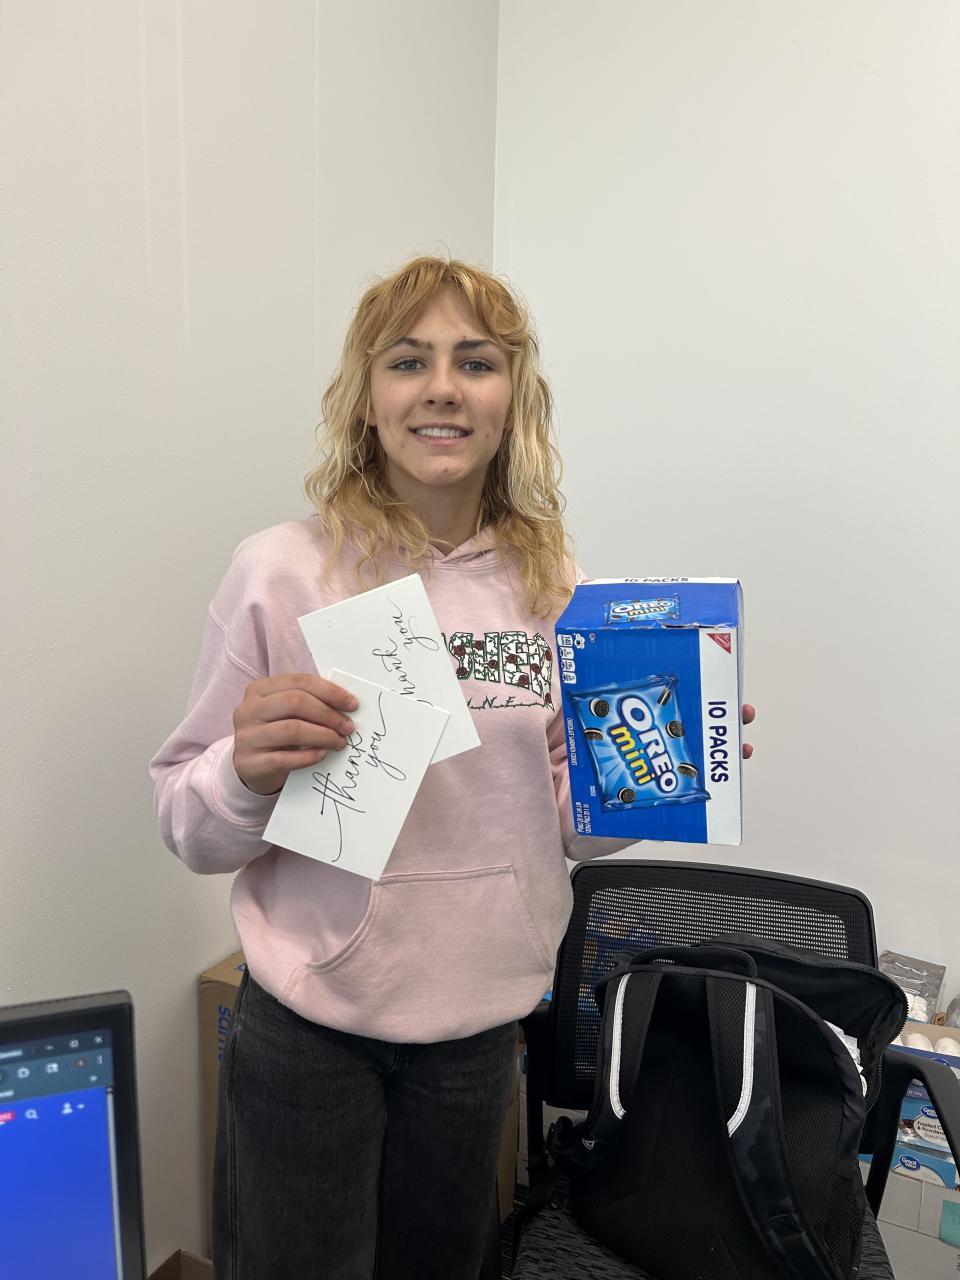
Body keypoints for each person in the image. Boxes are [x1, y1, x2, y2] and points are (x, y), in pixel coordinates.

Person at [150, 255, 755, 1280]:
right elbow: (186, 822)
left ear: (513, 397)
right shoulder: (281, 570)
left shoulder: (556, 586)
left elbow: (567, 822)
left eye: (475, 362)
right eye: (407, 360)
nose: (441, 387)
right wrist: (243, 774)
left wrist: (662, 781)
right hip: (310, 1027)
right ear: (366, 398)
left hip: (479, 1033)